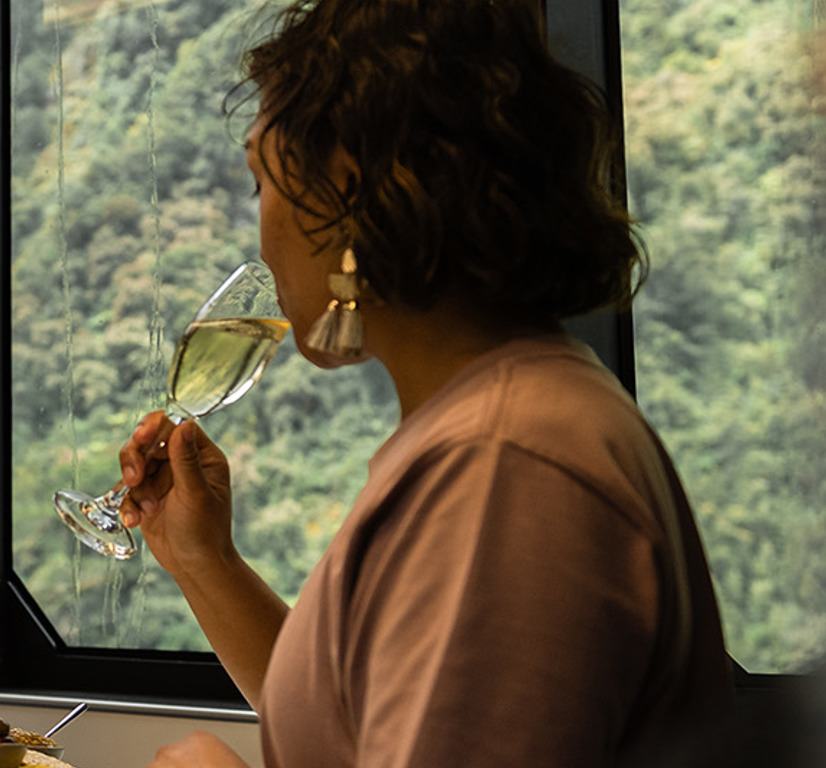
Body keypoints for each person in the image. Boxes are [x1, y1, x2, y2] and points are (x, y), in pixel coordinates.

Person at [121, 2, 734, 767]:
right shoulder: (504, 420)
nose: (261, 236)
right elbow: (362, 722)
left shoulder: (507, 466)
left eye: (260, 183)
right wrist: (203, 561)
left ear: (343, 192)